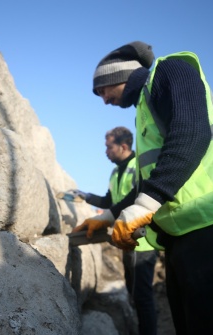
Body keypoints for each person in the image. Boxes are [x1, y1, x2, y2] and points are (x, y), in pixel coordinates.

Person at [76, 41, 213, 334]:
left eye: (103, 90)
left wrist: (145, 205)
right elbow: (147, 182)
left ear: (118, 76)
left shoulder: (170, 71)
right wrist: (109, 215)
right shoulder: (144, 110)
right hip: (189, 232)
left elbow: (191, 133)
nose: (104, 100)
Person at [71, 126, 158, 335]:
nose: (105, 151)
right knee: (134, 293)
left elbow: (138, 199)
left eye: (109, 147)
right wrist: (85, 196)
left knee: (142, 296)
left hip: (142, 241)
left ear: (123, 146)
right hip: (124, 237)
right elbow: (110, 202)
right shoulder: (115, 172)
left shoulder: (138, 166)